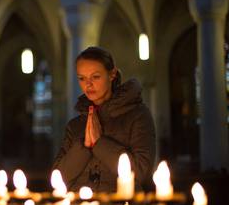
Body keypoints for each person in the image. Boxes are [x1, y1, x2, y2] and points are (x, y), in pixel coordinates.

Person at [52, 46, 155, 192]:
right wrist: (84, 147)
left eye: (95, 76)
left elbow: (140, 172)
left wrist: (99, 144)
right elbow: (57, 178)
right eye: (82, 78)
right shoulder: (75, 126)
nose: (88, 84)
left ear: (112, 74)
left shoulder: (138, 115)